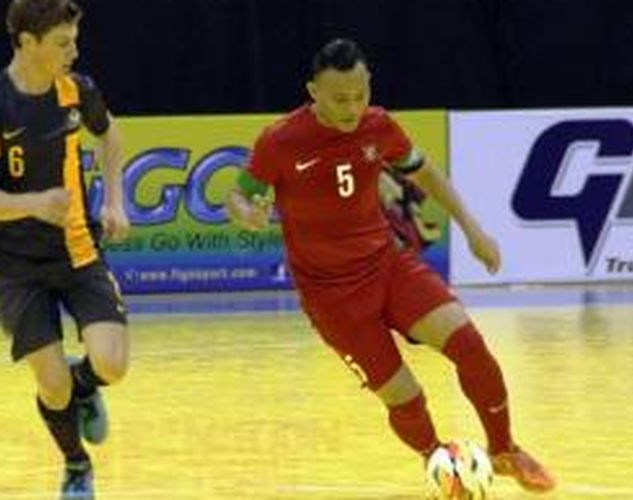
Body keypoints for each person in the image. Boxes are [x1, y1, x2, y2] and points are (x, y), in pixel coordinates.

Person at [227, 38, 555, 498]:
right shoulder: (280, 141)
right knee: (405, 396)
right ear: (313, 92)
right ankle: (439, 464)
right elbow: (238, 195)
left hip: (387, 266)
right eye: (340, 98)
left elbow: (426, 174)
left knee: (470, 344)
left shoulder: (379, 126)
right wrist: (248, 213)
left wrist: (474, 230)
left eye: (360, 95)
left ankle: (503, 449)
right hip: (331, 297)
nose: (352, 107)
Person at [0, 1, 130, 498]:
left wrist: (116, 201)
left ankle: (86, 388)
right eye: (63, 42)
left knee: (112, 365)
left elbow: (109, 136)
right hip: (16, 268)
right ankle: (76, 465)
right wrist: (35, 203)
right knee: (50, 384)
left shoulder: (78, 90)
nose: (73, 51)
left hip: (78, 249)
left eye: (75, 40)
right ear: (27, 42)